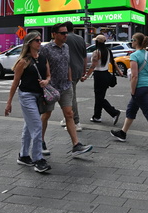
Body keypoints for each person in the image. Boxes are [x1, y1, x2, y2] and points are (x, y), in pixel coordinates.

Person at [40, 23, 92, 157]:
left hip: (65, 86)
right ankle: (40, 141)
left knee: (69, 114)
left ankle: (76, 145)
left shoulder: (66, 47)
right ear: (54, 34)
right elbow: (41, 67)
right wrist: (45, 81)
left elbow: (67, 64)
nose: (65, 35)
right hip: (51, 87)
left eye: (66, 33)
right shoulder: (46, 49)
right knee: (46, 115)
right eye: (62, 33)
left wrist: (69, 79)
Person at [5, 31, 52, 173]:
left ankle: (24, 155)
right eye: (37, 40)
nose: (39, 42)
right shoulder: (23, 62)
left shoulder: (43, 58)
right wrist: (9, 103)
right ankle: (38, 159)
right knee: (37, 125)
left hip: (39, 96)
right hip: (26, 95)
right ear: (29, 43)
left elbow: (49, 75)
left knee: (28, 125)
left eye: (40, 40)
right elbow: (15, 83)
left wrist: (46, 81)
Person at [110, 32, 148, 150]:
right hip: (147, 85)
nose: (131, 41)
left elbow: (134, 76)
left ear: (136, 41)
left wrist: (133, 90)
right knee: (131, 109)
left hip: (139, 87)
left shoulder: (134, 56)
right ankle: (123, 133)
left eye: (132, 40)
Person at [81, 35, 123, 125]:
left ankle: (114, 112)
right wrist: (119, 71)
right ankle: (97, 116)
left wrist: (86, 76)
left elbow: (93, 66)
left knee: (99, 97)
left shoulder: (97, 52)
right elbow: (113, 62)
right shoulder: (108, 51)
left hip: (99, 76)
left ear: (97, 42)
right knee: (99, 96)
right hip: (106, 74)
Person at [58, 21, 85, 132]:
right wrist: (84, 71)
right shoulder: (80, 38)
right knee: (70, 94)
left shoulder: (65, 39)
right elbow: (84, 56)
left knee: (70, 96)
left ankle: (75, 122)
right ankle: (67, 118)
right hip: (78, 70)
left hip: (69, 71)